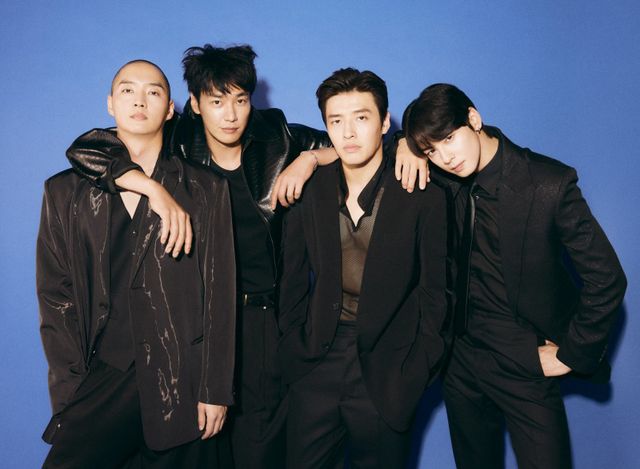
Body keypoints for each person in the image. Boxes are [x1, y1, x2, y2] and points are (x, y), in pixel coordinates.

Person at [65, 44, 427, 469]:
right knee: (198, 450)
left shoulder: (278, 136)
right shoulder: (177, 140)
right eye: (217, 102)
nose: (231, 115)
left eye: (240, 100)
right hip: (194, 324)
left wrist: (318, 156)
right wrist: (153, 190)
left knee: (259, 450)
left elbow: (354, 139)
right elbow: (88, 148)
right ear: (194, 105)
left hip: (262, 322)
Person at [403, 83, 627, 469]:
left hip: (523, 358)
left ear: (474, 118)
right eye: (431, 151)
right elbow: (361, 144)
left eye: (449, 139)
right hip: (460, 359)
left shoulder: (548, 183)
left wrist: (572, 354)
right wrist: (403, 148)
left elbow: (607, 278)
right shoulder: (441, 178)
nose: (445, 157)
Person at [37, 60, 236, 468]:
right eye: (128, 90)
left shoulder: (206, 189)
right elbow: (56, 298)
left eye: (154, 92)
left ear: (170, 109)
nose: (140, 100)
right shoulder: (63, 191)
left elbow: (220, 297)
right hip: (102, 374)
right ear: (111, 104)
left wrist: (215, 388)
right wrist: (71, 389)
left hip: (180, 379)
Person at [278, 68, 450, 468]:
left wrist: (414, 371)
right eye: (336, 121)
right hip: (316, 358)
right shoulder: (310, 187)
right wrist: (294, 346)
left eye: (361, 117)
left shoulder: (422, 192)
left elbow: (437, 292)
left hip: (388, 369)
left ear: (385, 123)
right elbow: (291, 278)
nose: (349, 132)